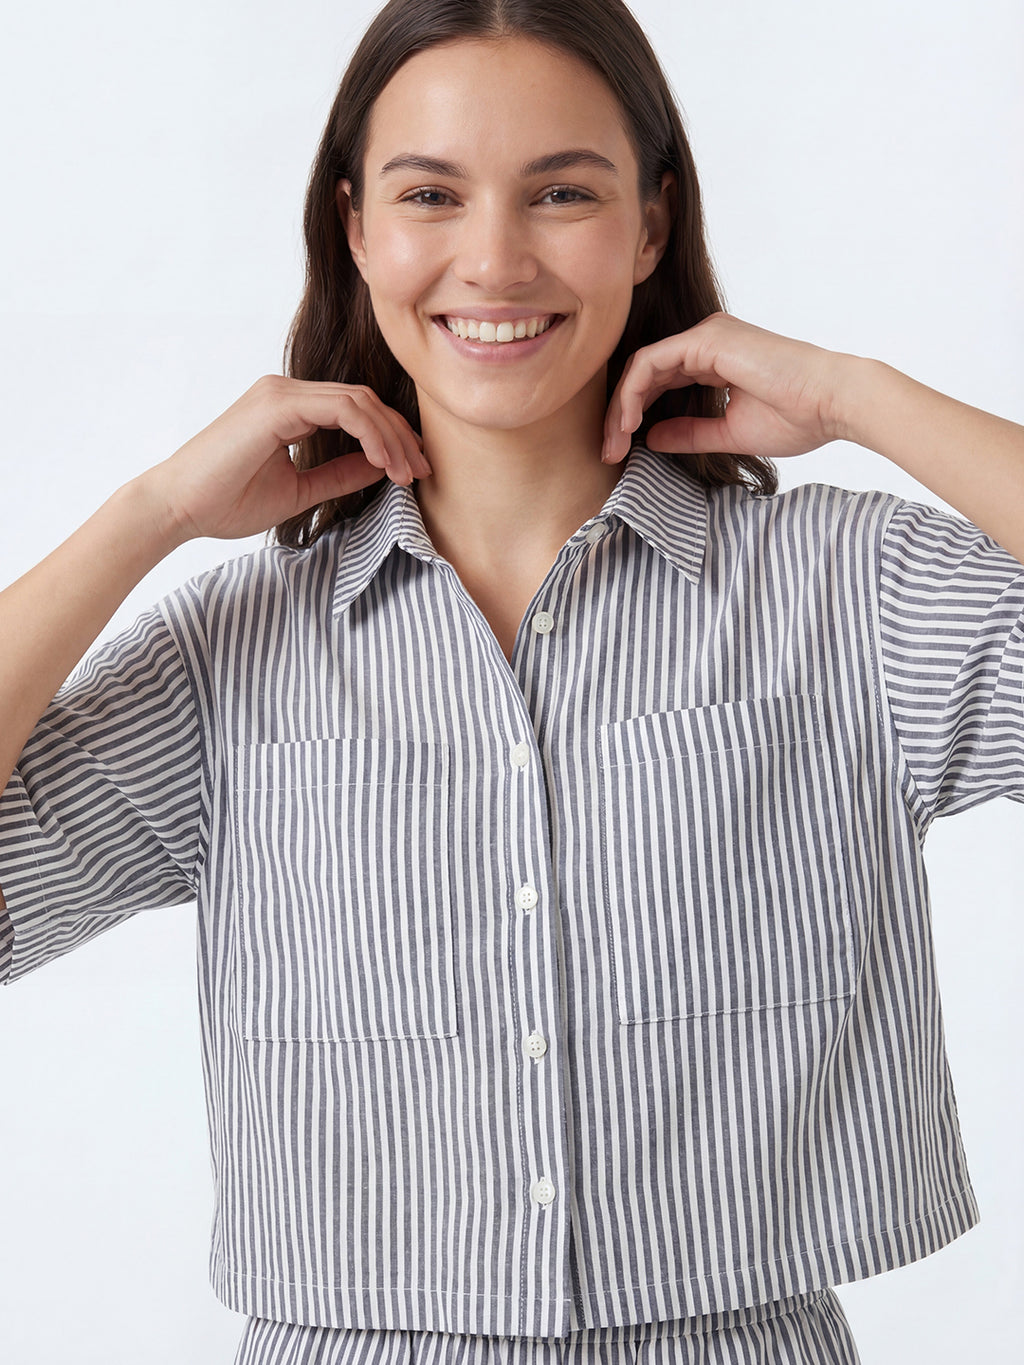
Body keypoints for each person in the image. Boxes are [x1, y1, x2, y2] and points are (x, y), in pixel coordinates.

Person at [1, 0, 1022, 1362]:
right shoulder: (226, 657)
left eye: (563, 193)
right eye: (431, 194)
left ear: (651, 226)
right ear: (355, 229)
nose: (493, 259)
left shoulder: (846, 595)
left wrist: (856, 398)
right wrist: (148, 516)